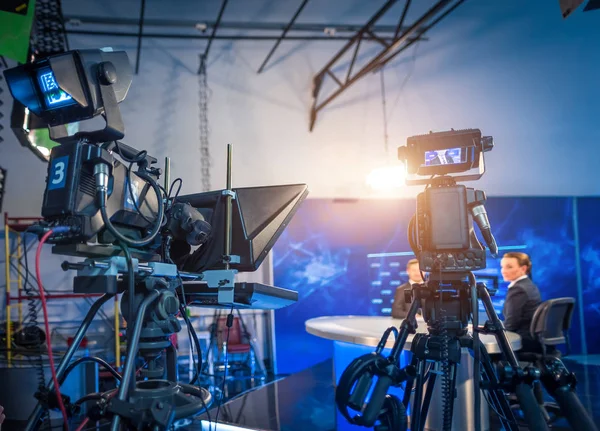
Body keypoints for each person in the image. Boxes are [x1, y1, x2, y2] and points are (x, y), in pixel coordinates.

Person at [500, 252, 542, 352]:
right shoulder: (529, 285)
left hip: (523, 341)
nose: (503, 271)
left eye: (509, 267)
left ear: (523, 269)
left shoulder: (518, 290)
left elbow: (511, 325)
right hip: (534, 339)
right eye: (502, 267)